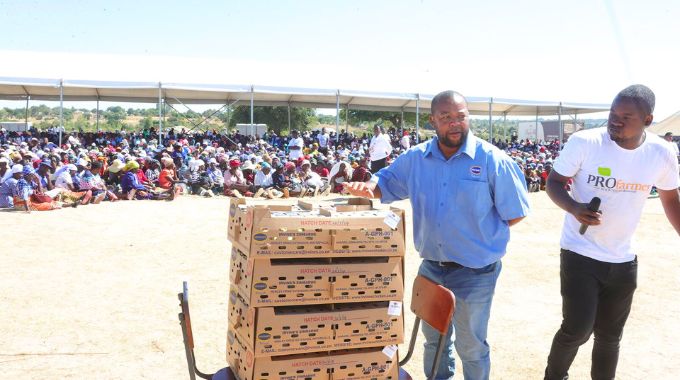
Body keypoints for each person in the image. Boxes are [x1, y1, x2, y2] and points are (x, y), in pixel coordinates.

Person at [343, 90, 530, 380]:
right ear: (433, 121)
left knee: (472, 347)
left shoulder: (493, 160)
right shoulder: (416, 158)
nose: (455, 123)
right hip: (432, 268)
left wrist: (475, 233)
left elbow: (515, 213)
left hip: (476, 273)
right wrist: (368, 187)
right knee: (436, 342)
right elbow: (386, 182)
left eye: (461, 116)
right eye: (446, 118)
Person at [543, 85, 680, 380]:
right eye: (612, 114)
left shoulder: (662, 152)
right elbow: (553, 183)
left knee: (609, 336)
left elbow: (671, 200)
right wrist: (574, 207)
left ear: (647, 120)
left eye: (626, 116)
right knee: (577, 329)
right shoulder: (585, 142)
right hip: (580, 252)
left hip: (623, 258)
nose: (615, 121)